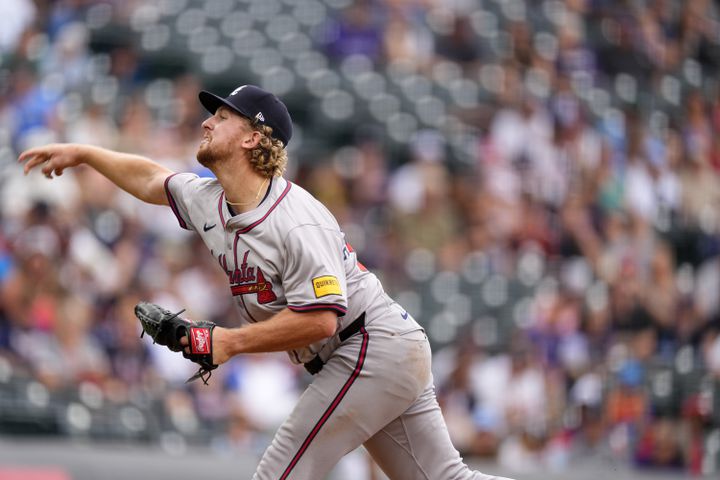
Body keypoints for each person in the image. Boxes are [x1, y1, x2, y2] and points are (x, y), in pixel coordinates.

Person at [19, 84, 514, 480]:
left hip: (367, 343)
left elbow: (321, 319)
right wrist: (84, 152)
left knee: (278, 473)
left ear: (254, 137)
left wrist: (229, 342)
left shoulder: (296, 219)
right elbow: (151, 179)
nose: (208, 121)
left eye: (224, 116)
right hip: (367, 352)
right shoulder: (212, 199)